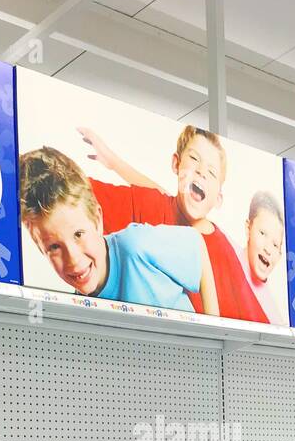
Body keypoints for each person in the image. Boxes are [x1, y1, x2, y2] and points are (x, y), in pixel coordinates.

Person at [76, 124, 268, 322]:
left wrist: (114, 162)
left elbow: (255, 320)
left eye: (211, 172)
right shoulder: (153, 207)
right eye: (194, 159)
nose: (201, 172)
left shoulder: (222, 249)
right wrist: (112, 161)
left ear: (218, 199)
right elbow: (76, 193)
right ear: (176, 164)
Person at [19, 146, 218, 315]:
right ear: (40, 249)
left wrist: (213, 328)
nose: (73, 259)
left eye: (78, 234)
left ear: (97, 219)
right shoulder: (80, 306)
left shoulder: (136, 246)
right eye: (54, 247)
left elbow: (196, 244)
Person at [239, 191, 285, 324]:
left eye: (275, 245)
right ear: (248, 228)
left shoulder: (273, 317)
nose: (268, 249)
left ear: (280, 256)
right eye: (263, 233)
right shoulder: (222, 258)